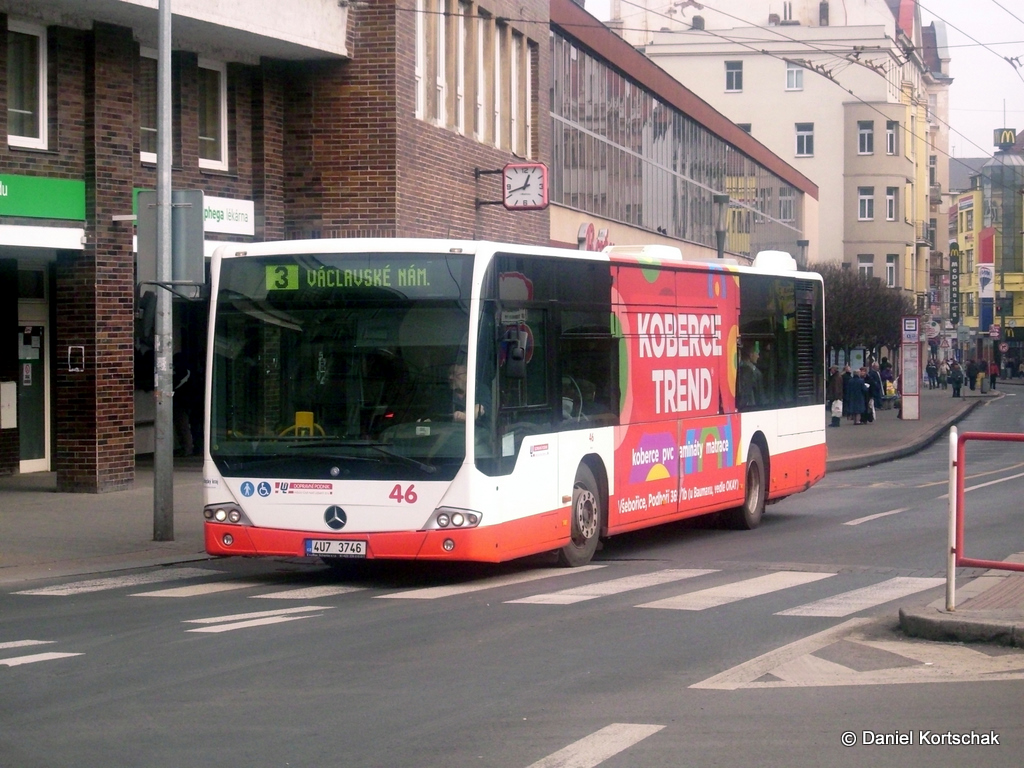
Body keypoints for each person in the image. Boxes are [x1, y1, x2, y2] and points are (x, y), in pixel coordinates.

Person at [737, 342, 764, 409]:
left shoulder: (737, 369)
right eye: (757, 353)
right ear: (751, 354)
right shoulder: (756, 373)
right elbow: (760, 397)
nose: (758, 356)